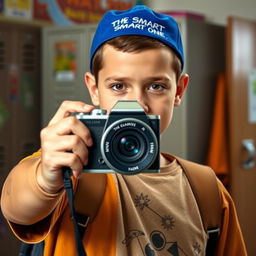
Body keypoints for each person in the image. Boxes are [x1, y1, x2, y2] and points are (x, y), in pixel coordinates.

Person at [1, 5, 247, 256]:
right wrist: (44, 178)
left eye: (156, 86)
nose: (137, 103)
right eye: (118, 86)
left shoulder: (207, 190)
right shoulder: (72, 168)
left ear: (179, 91)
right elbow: (18, 205)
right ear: (94, 89)